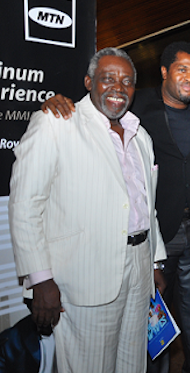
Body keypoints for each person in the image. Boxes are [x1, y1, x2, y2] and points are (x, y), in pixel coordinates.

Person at [41, 41, 190, 373]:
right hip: (158, 232)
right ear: (164, 72)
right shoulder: (138, 104)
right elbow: (95, 103)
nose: (189, 78)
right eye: (181, 70)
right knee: (152, 318)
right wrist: (57, 101)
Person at [9, 47, 167, 372]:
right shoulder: (57, 123)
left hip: (139, 270)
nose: (118, 87)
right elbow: (25, 205)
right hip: (86, 276)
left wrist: (154, 261)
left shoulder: (141, 137)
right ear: (88, 82)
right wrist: (41, 280)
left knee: (133, 365)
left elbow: (145, 206)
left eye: (127, 81)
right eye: (108, 78)